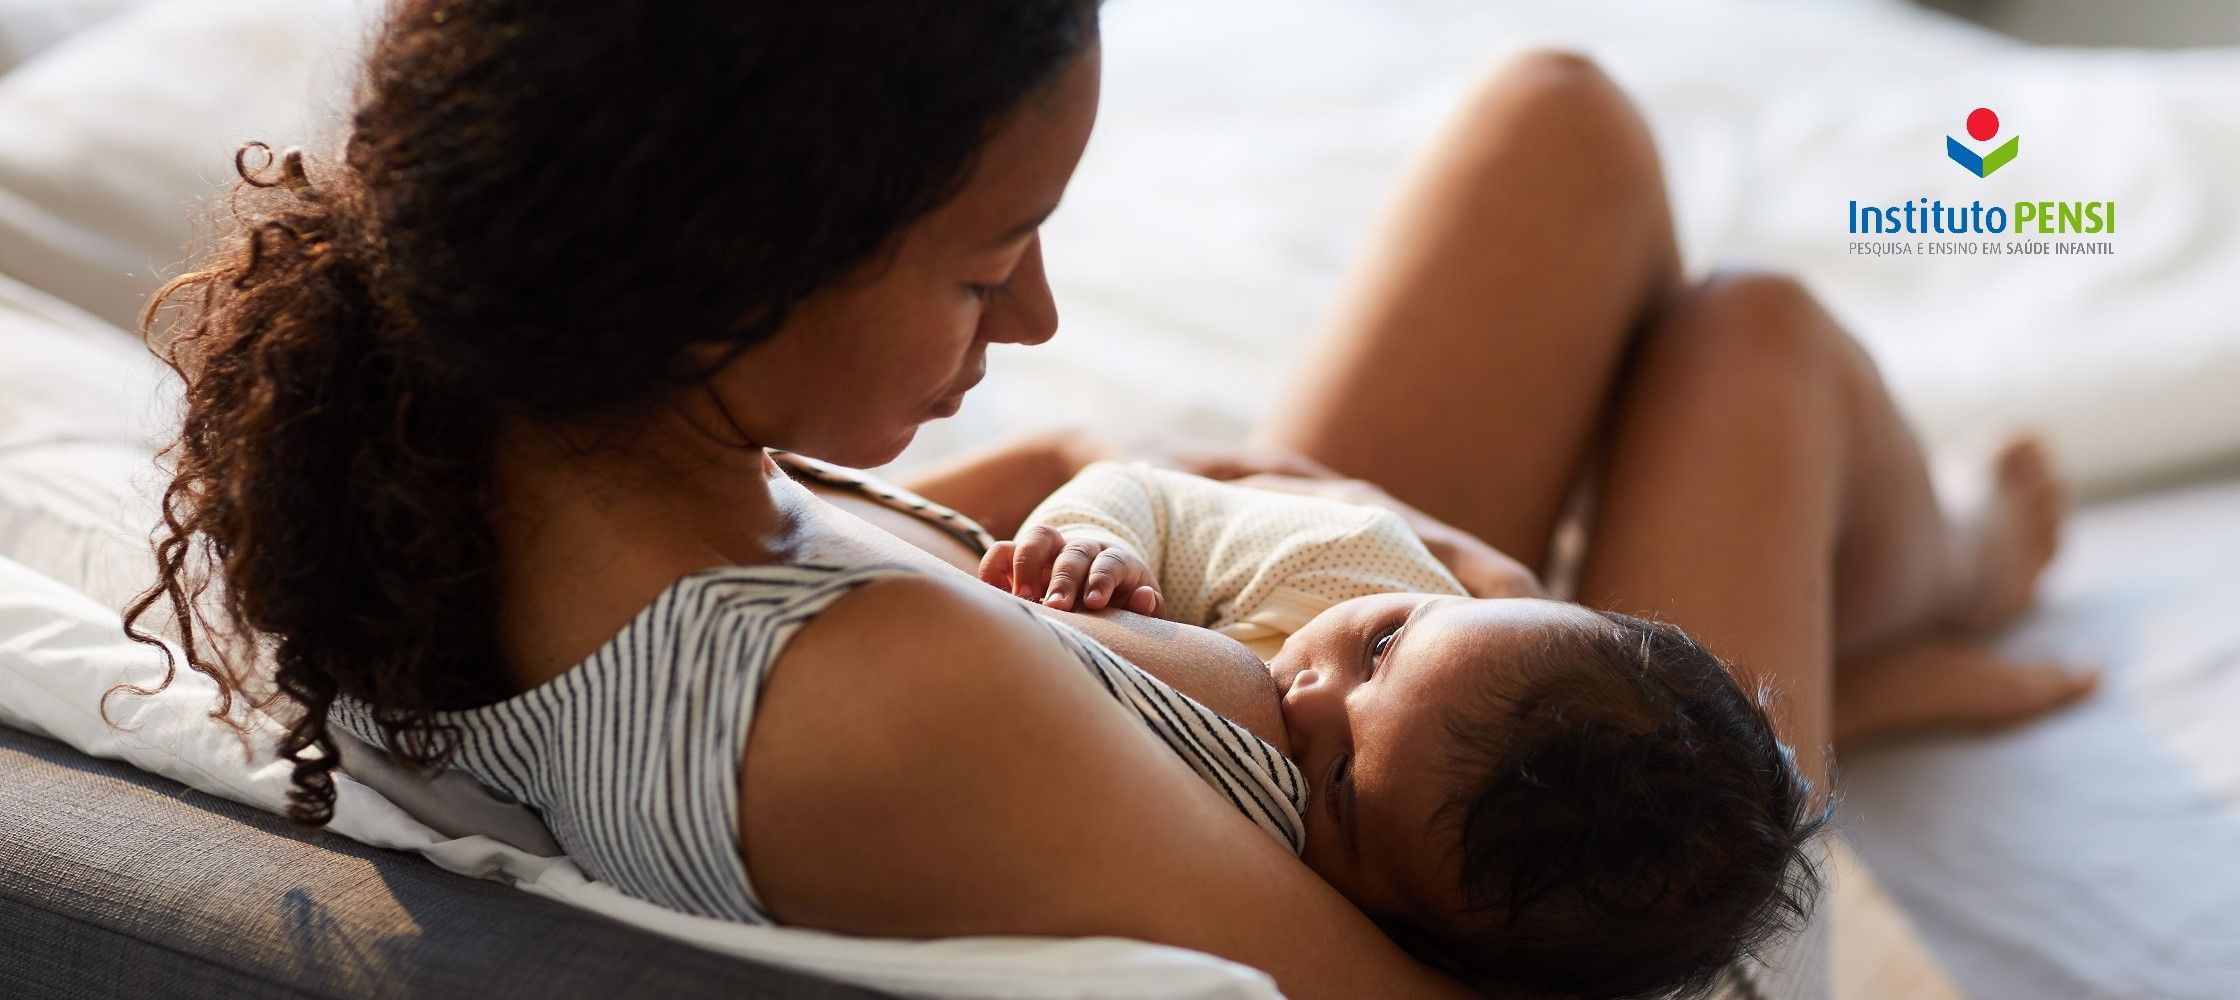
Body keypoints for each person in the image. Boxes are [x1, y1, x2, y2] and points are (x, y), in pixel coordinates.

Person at [113, 0, 2091, 995]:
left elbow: (1014, 519)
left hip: (1318, 682)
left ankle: (1865, 626)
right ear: (729, 267)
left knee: (1555, 127)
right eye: (986, 268)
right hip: (1618, 873)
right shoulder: (878, 712)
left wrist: (1134, 508)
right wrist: (1494, 595)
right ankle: (1914, 603)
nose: (1039, 311)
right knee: (1747, 342)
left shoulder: (499, 454)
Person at [980, 459, 1825, 996]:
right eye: (1381, 646)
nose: (1307, 697)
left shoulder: (1358, 923)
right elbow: (1150, 493)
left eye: (1342, 781)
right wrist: (1099, 541)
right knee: (1753, 316)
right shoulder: (1358, 565)